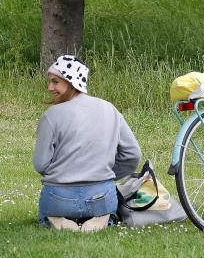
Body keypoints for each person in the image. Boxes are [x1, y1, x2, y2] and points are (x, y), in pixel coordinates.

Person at [33, 54, 141, 231]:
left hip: (59, 197)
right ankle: (101, 219)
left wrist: (64, 172)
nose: (49, 87)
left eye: (55, 82)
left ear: (71, 81)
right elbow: (133, 155)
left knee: (52, 210)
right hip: (101, 196)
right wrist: (104, 174)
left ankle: (58, 219)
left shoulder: (51, 115)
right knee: (103, 205)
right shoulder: (110, 109)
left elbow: (40, 164)